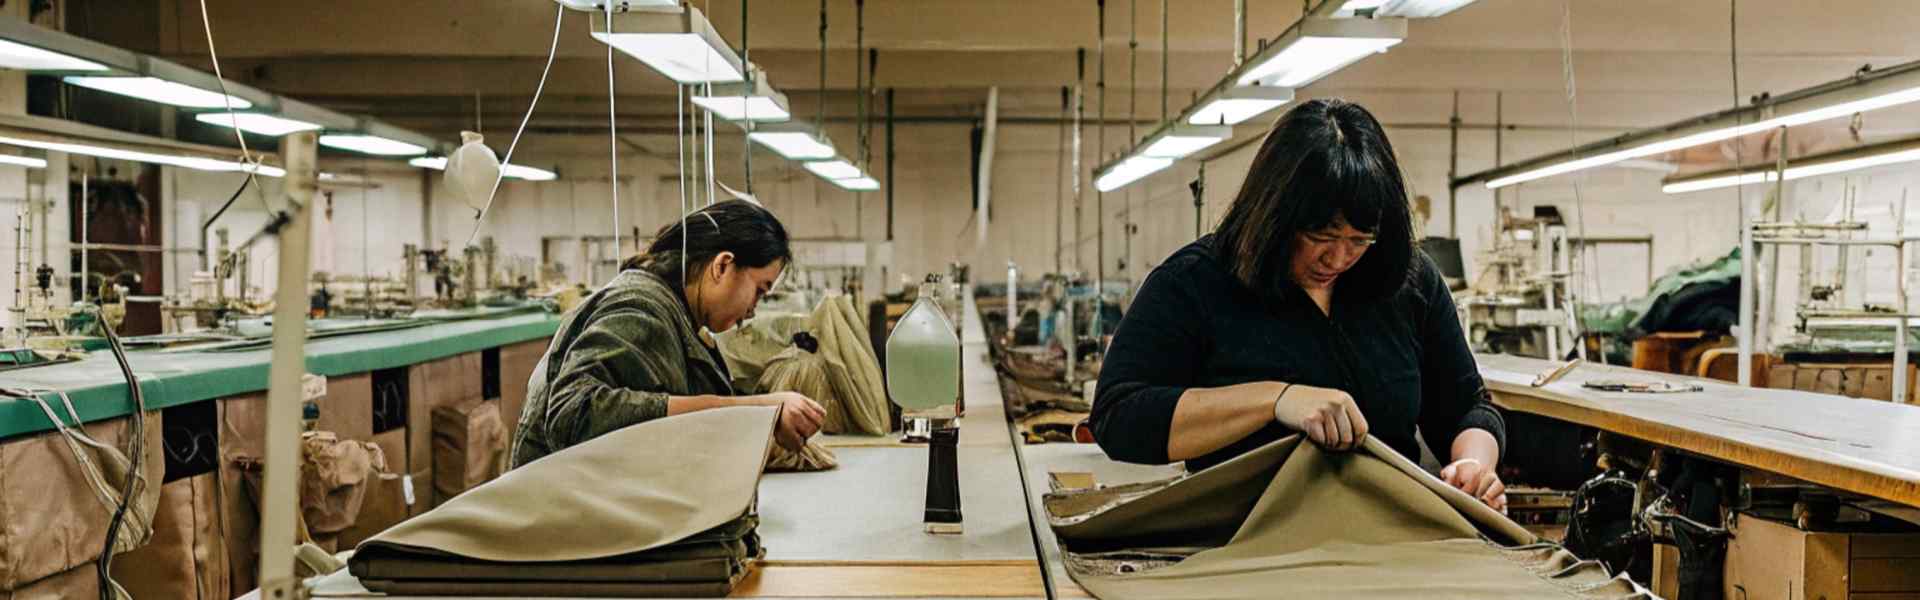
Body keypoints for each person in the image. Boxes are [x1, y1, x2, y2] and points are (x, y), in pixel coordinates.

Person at [1089, 99, 1509, 511]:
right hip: (1243, 547)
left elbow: (1468, 406)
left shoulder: (1407, 281)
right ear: (1275, 216)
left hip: (1385, 544)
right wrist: (1276, 400)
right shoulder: (1195, 283)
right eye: (1321, 237)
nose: (1339, 258)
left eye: (1360, 239)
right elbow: (1118, 418)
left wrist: (1474, 464)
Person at [511, 199, 827, 468]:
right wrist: (760, 411)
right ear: (722, 266)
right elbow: (571, 414)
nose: (753, 311)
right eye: (759, 291)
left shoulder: (672, 312)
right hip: (566, 520)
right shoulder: (640, 308)